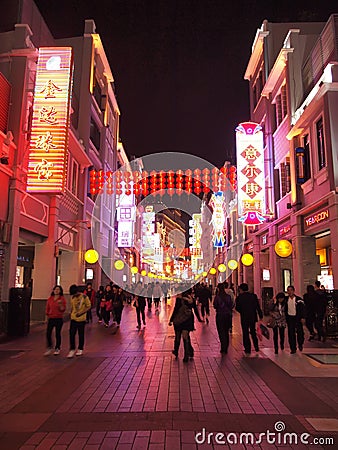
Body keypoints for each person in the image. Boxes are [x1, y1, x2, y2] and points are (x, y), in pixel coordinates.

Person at [169, 288, 203, 362]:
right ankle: (186, 355)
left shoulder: (179, 299)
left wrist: (171, 320)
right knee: (186, 337)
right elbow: (195, 309)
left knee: (178, 336)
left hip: (179, 320)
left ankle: (176, 351)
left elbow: (175, 310)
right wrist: (199, 319)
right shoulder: (191, 299)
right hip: (188, 320)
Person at [235, 283, 263, 356]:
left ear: (241, 289)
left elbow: (237, 308)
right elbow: (257, 306)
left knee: (245, 332)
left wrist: (242, 311)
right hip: (252, 317)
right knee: (253, 331)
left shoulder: (239, 297)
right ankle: (256, 347)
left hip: (244, 317)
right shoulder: (253, 296)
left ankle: (247, 348)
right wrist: (260, 315)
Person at [67, 284, 91, 358]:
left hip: (81, 319)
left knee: (81, 334)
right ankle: (72, 349)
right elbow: (72, 307)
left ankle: (80, 348)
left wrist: (81, 313)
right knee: (72, 334)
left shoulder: (84, 297)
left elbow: (88, 306)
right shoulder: (73, 297)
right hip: (73, 318)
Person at [44, 285, 66, 356]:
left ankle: (57, 348)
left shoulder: (62, 299)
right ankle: (49, 347)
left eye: (58, 289)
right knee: (48, 333)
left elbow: (63, 309)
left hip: (58, 318)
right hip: (51, 318)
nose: (56, 291)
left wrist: (60, 304)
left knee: (57, 333)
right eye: (55, 289)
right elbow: (47, 308)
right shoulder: (50, 299)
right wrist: (47, 316)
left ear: (60, 291)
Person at [213, 283, 233, 354]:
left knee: (221, 331)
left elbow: (215, 305)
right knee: (226, 331)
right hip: (227, 315)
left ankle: (223, 346)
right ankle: (226, 347)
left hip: (220, 315)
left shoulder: (217, 297)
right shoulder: (228, 296)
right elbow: (231, 305)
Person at [285, 285, 305, 354]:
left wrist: (302, 317)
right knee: (291, 333)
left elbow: (302, 309)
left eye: (291, 290)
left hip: (297, 318)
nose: (289, 292)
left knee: (300, 332)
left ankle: (300, 343)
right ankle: (293, 348)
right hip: (290, 318)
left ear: (293, 291)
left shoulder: (299, 299)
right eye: (288, 290)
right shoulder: (286, 300)